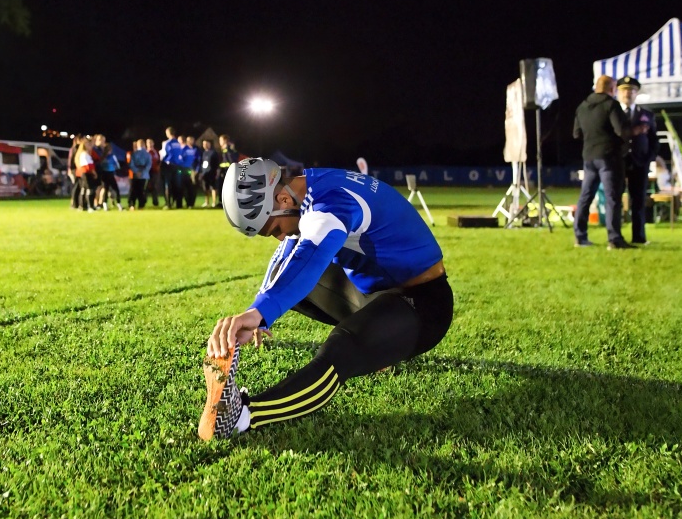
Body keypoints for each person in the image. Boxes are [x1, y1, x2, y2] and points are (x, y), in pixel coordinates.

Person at [199, 158, 453, 440]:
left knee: (342, 348)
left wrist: (260, 311)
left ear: (283, 199)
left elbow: (309, 258)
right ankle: (380, 346)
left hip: (425, 305)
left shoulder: (330, 203)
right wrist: (258, 312)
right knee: (288, 280)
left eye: (275, 229)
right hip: (379, 293)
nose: (279, 237)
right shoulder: (308, 187)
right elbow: (288, 253)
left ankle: (244, 416)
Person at [573, 75, 642, 249]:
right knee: (613, 198)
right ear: (612, 89)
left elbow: (576, 133)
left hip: (589, 156)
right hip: (609, 157)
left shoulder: (582, 106)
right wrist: (636, 130)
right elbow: (621, 130)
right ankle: (614, 238)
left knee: (585, 197)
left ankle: (580, 236)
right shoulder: (611, 104)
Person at [616, 76, 658, 244]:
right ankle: (616, 236)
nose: (628, 93)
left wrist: (649, 158)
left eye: (632, 90)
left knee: (639, 200)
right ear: (618, 93)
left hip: (640, 162)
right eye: (624, 90)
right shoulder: (614, 113)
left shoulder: (646, 114)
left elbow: (653, 139)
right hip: (618, 162)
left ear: (637, 93)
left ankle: (639, 236)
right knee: (615, 199)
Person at [129, 139, 151, 210]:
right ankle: (141, 205)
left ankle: (132, 204)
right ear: (144, 145)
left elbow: (131, 164)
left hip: (135, 174)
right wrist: (143, 172)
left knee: (134, 189)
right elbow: (149, 165)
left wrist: (136, 171)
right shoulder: (147, 154)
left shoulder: (134, 154)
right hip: (144, 175)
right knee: (142, 190)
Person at [145, 137, 162, 208]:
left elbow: (159, 160)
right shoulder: (145, 152)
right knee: (146, 186)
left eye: (151, 142)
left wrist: (158, 166)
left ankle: (155, 202)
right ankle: (143, 201)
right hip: (147, 171)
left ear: (153, 143)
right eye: (148, 143)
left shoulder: (156, 152)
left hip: (155, 171)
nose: (150, 144)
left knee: (155, 186)